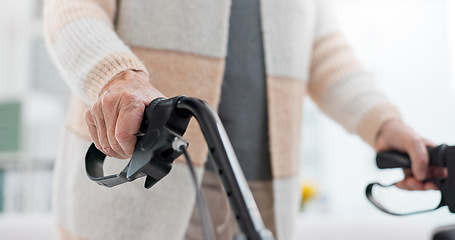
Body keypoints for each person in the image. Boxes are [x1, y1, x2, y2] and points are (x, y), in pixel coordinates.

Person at [43, 0, 446, 239]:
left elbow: (327, 55)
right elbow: (71, 9)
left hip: (261, 193)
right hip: (148, 185)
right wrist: (118, 76)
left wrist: (384, 125)